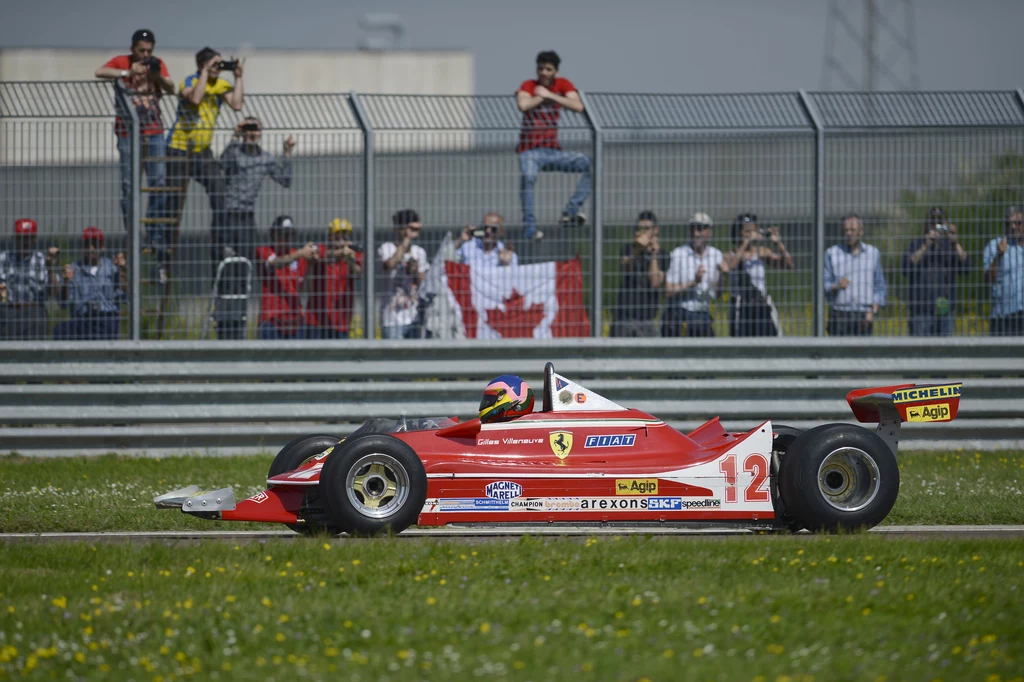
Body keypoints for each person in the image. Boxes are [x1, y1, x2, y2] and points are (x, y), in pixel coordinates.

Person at [94, 29, 175, 234]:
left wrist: (157, 76)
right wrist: (128, 73)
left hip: (154, 131)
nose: (146, 55)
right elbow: (100, 72)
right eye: (141, 51)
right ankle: (132, 232)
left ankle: (153, 232)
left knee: (158, 183)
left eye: (149, 51)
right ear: (133, 49)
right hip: (128, 132)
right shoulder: (122, 61)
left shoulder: (157, 63)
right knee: (129, 185)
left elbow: (171, 87)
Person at [164, 47, 245, 248]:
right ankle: (165, 249)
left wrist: (238, 78)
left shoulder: (221, 84)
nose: (218, 68)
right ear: (202, 65)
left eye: (220, 64)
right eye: (214, 64)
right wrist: (205, 74)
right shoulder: (190, 81)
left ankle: (220, 240)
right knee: (175, 201)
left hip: (202, 152)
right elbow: (195, 99)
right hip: (179, 149)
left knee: (219, 191)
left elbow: (236, 104)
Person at [516, 50, 591, 241]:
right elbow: (523, 105)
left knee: (591, 164)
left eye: (548, 69)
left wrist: (550, 95)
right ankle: (530, 229)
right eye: (540, 68)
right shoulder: (529, 85)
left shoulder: (562, 84)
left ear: (555, 71)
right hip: (530, 151)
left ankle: (571, 211)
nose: (543, 73)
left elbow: (578, 106)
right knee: (528, 178)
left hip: (552, 151)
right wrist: (541, 96)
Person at [216, 116, 295, 270]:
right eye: (248, 129)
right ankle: (224, 293)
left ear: (260, 133)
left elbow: (285, 180)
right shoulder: (235, 152)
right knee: (225, 259)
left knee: (246, 259)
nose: (251, 133)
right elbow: (222, 163)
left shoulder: (265, 158)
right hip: (228, 213)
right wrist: (235, 136)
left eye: (255, 129)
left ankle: (243, 293)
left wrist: (287, 153)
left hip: (247, 215)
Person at [901, 207, 970, 336]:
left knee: (945, 353)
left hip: (945, 311)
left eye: (940, 222)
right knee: (920, 353)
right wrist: (926, 246)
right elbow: (905, 268)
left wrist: (955, 243)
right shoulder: (917, 244)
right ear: (926, 225)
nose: (936, 226)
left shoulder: (950, 246)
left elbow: (966, 267)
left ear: (946, 224)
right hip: (921, 311)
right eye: (932, 222)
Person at [725, 213, 793, 337]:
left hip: (761, 302)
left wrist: (779, 243)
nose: (750, 234)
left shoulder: (761, 252)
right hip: (741, 305)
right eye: (746, 231)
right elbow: (732, 266)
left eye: (752, 230)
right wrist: (746, 242)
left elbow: (788, 265)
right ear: (738, 232)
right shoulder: (731, 253)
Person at [53, 227, 126, 340]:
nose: (91, 248)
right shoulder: (74, 270)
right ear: (82, 247)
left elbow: (125, 296)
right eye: (87, 244)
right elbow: (63, 303)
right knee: (60, 331)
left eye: (95, 244)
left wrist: (123, 271)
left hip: (106, 320)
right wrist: (66, 282)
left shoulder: (112, 268)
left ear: (102, 247)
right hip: (82, 320)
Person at [664, 213, 729, 337]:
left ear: (710, 232)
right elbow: (668, 291)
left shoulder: (716, 255)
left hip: (704, 313)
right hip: (680, 314)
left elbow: (718, 294)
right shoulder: (678, 254)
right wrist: (693, 283)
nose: (697, 233)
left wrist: (723, 276)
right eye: (693, 228)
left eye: (702, 228)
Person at [255, 216, 317, 340]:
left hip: (295, 321)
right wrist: (300, 254)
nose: (287, 238)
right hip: (271, 320)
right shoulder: (264, 251)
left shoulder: (298, 255)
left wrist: (310, 264)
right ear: (274, 234)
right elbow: (275, 263)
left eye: (290, 234)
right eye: (283, 234)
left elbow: (304, 287)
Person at [824, 214, 887, 336]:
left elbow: (879, 285)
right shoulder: (832, 253)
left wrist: (872, 311)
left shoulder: (873, 254)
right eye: (846, 230)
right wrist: (836, 286)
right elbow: (824, 284)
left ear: (861, 231)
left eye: (853, 230)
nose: (849, 233)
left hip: (863, 314)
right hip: (839, 313)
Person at [0, 219, 61, 340]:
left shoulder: (43, 260)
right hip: (9, 311)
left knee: (36, 354)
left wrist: (51, 269)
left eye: (29, 237)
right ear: (15, 238)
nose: (25, 241)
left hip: (35, 312)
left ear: (34, 239)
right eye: (21, 237)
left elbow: (54, 293)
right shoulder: (3, 258)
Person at [612, 210, 668, 338]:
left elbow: (655, 282)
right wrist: (638, 249)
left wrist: (653, 254)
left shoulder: (663, 254)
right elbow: (626, 267)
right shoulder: (629, 249)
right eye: (640, 228)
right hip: (624, 316)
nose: (643, 232)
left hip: (647, 318)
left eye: (647, 228)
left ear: (656, 230)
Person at [306, 218, 364, 340]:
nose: (342, 241)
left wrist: (349, 259)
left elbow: (358, 272)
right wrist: (341, 253)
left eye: (345, 237)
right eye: (337, 237)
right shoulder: (321, 249)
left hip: (341, 320)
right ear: (330, 237)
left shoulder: (353, 254)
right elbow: (320, 254)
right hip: (316, 320)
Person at [378, 209, 429, 339]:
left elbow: (423, 283)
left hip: (413, 318)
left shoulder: (419, 252)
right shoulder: (386, 248)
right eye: (408, 228)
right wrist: (405, 242)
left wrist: (416, 271)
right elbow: (390, 265)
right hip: (391, 319)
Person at [983, 206, 1024, 336]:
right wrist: (998, 256)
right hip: (1003, 317)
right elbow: (987, 280)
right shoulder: (994, 246)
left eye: (1017, 223)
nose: (1013, 227)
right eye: (1008, 223)